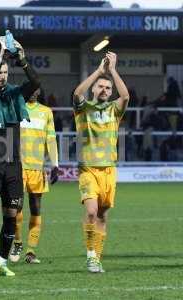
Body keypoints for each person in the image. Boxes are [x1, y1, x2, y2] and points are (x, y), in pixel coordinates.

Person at [0, 36, 40, 276]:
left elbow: (36, 81)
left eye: (5, 72)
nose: (2, 75)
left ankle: (2, 261)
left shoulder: (15, 95)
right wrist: (1, 54)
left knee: (12, 214)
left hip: (14, 166)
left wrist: (21, 58)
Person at [72, 52, 129, 273]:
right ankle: (90, 256)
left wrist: (112, 70)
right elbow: (77, 92)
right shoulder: (83, 109)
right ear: (94, 90)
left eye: (107, 88)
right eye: (100, 87)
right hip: (88, 169)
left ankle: (97, 256)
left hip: (109, 170)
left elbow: (125, 97)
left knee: (103, 215)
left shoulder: (114, 110)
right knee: (91, 212)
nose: (104, 90)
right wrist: (99, 70)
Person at [9, 88, 59, 264]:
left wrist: (55, 164)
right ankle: (17, 242)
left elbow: (51, 139)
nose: (32, 91)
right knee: (17, 208)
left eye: (35, 88)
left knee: (36, 208)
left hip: (38, 168)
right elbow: (9, 135)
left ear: (38, 91)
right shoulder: (15, 108)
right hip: (18, 167)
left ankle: (31, 250)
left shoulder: (46, 112)